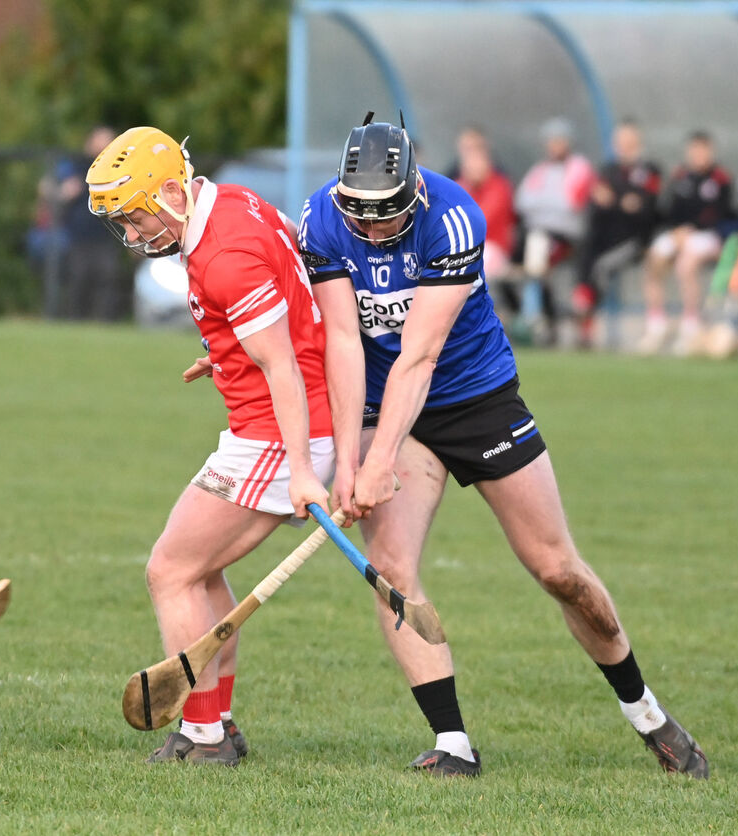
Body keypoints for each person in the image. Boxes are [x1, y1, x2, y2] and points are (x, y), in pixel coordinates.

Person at [296, 116, 708, 778]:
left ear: (413, 191)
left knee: (557, 569)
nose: (371, 232)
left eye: (385, 216)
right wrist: (350, 462)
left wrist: (378, 462)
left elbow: (421, 356)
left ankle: (646, 712)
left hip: (474, 398)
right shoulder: (320, 220)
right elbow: (343, 341)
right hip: (381, 403)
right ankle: (453, 742)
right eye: (359, 217)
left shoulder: (454, 218)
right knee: (392, 571)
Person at [86, 127, 334, 765]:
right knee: (201, 573)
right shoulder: (232, 202)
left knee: (170, 572)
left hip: (279, 434)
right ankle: (217, 720)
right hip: (272, 424)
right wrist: (225, 355)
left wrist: (304, 470)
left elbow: (281, 364)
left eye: (136, 217)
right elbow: (285, 295)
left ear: (173, 192)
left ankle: (204, 735)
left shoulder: (224, 254)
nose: (133, 234)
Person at [639, 131, 735, 355]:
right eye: (695, 150)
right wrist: (677, 231)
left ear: (710, 151)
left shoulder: (721, 179)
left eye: (703, 150)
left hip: (708, 235)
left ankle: (691, 324)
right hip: (679, 233)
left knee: (686, 263)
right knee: (654, 256)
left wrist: (692, 229)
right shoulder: (680, 176)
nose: (698, 155)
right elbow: (670, 211)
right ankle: (656, 324)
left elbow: (721, 213)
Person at [572, 119, 662, 349]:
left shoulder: (649, 171)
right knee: (585, 250)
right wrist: (620, 201)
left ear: (637, 141)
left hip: (633, 241)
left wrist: (615, 200)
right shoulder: (608, 171)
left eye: (628, 140)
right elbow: (599, 204)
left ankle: (586, 318)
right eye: (620, 140)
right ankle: (582, 301)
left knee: (602, 266)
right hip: (604, 236)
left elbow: (644, 208)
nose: (623, 145)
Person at [510, 117, 595, 344]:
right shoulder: (540, 169)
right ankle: (537, 317)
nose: (554, 146)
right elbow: (522, 201)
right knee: (531, 256)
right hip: (537, 234)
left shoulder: (579, 167)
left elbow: (571, 203)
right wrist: (549, 202)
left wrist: (541, 203)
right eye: (550, 141)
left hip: (568, 238)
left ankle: (533, 317)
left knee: (537, 255)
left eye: (558, 140)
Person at [34, 125, 131, 321]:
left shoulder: (118, 169)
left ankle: (105, 322)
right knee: (79, 279)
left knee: (107, 278)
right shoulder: (75, 165)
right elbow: (44, 186)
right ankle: (75, 320)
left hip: (106, 236)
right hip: (78, 237)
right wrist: (63, 192)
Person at [450, 126, 516, 285]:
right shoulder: (459, 185)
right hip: (461, 248)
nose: (473, 166)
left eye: (477, 160)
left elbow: (478, 221)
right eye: (469, 162)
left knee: (477, 263)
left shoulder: (499, 185)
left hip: (493, 248)